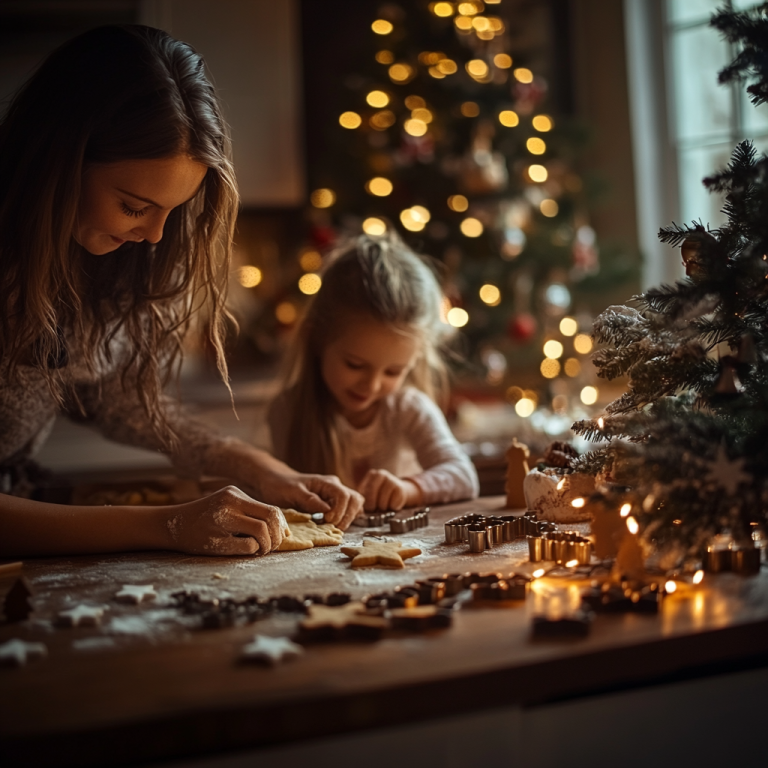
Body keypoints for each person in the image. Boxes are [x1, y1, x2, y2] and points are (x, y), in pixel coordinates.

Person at [0, 25, 363, 559]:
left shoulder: (96, 257)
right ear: (58, 161)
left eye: (172, 211)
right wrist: (165, 524)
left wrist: (247, 461)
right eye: (133, 206)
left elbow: (107, 393)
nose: (154, 236)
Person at [268, 232, 479, 511]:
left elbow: (463, 477)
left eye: (393, 371)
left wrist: (408, 489)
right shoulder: (287, 410)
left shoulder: (407, 408)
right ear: (316, 340)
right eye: (355, 365)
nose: (372, 384)